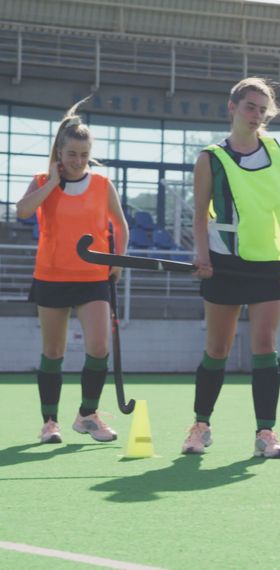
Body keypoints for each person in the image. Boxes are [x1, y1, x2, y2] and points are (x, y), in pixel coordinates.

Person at [180, 77, 280, 458]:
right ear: (232, 107)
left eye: (263, 110)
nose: (256, 115)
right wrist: (202, 256)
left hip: (271, 263)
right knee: (217, 347)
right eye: (250, 107)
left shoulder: (278, 153)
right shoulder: (210, 158)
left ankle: (266, 433)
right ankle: (201, 425)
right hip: (225, 262)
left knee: (265, 346)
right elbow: (199, 217)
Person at [16, 98, 130, 444]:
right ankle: (50, 422)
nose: (78, 161)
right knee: (53, 352)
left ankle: (87, 414)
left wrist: (117, 261)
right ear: (60, 152)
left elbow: (121, 227)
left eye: (84, 154)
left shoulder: (102, 185)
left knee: (99, 347)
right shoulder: (41, 181)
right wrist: (51, 182)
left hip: (93, 279)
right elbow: (22, 212)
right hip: (51, 277)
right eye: (72, 154)